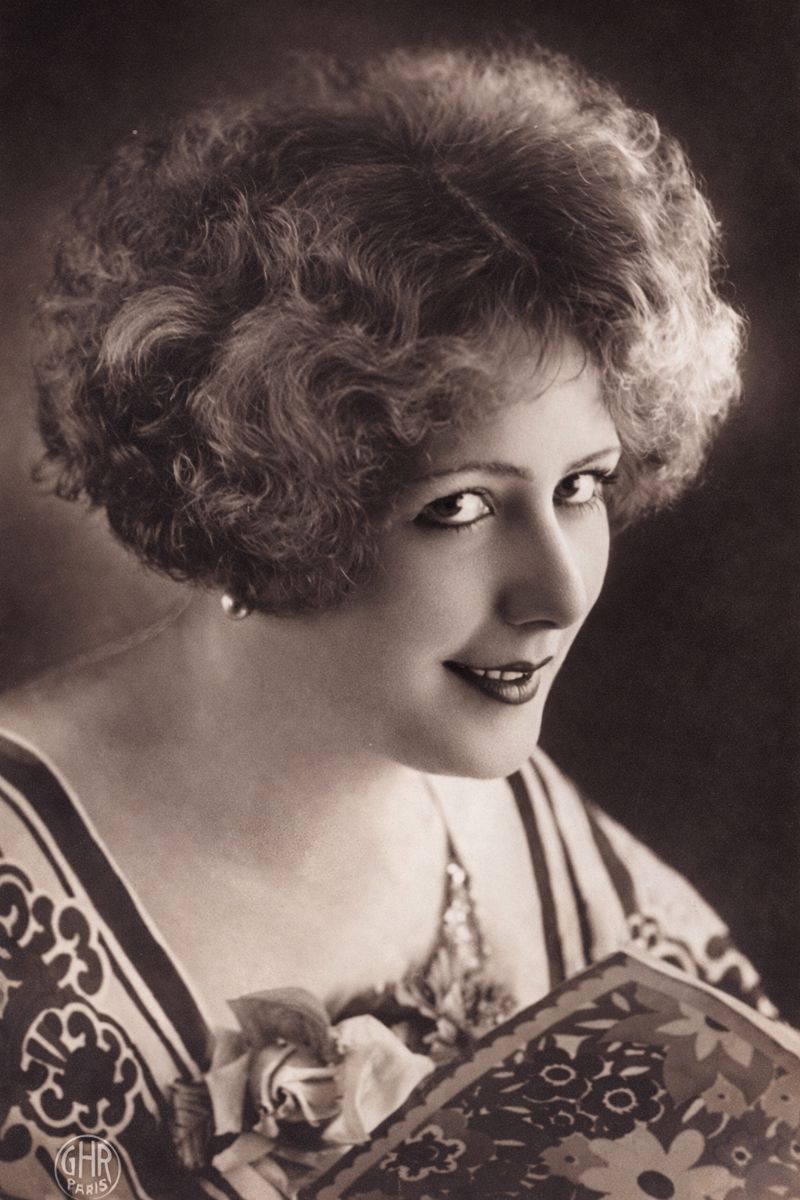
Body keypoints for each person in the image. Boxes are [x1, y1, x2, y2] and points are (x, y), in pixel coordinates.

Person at [0, 43, 775, 1200]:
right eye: (458, 508)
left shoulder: (516, 824)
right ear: (263, 502)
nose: (560, 592)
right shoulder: (20, 913)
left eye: (580, 487)